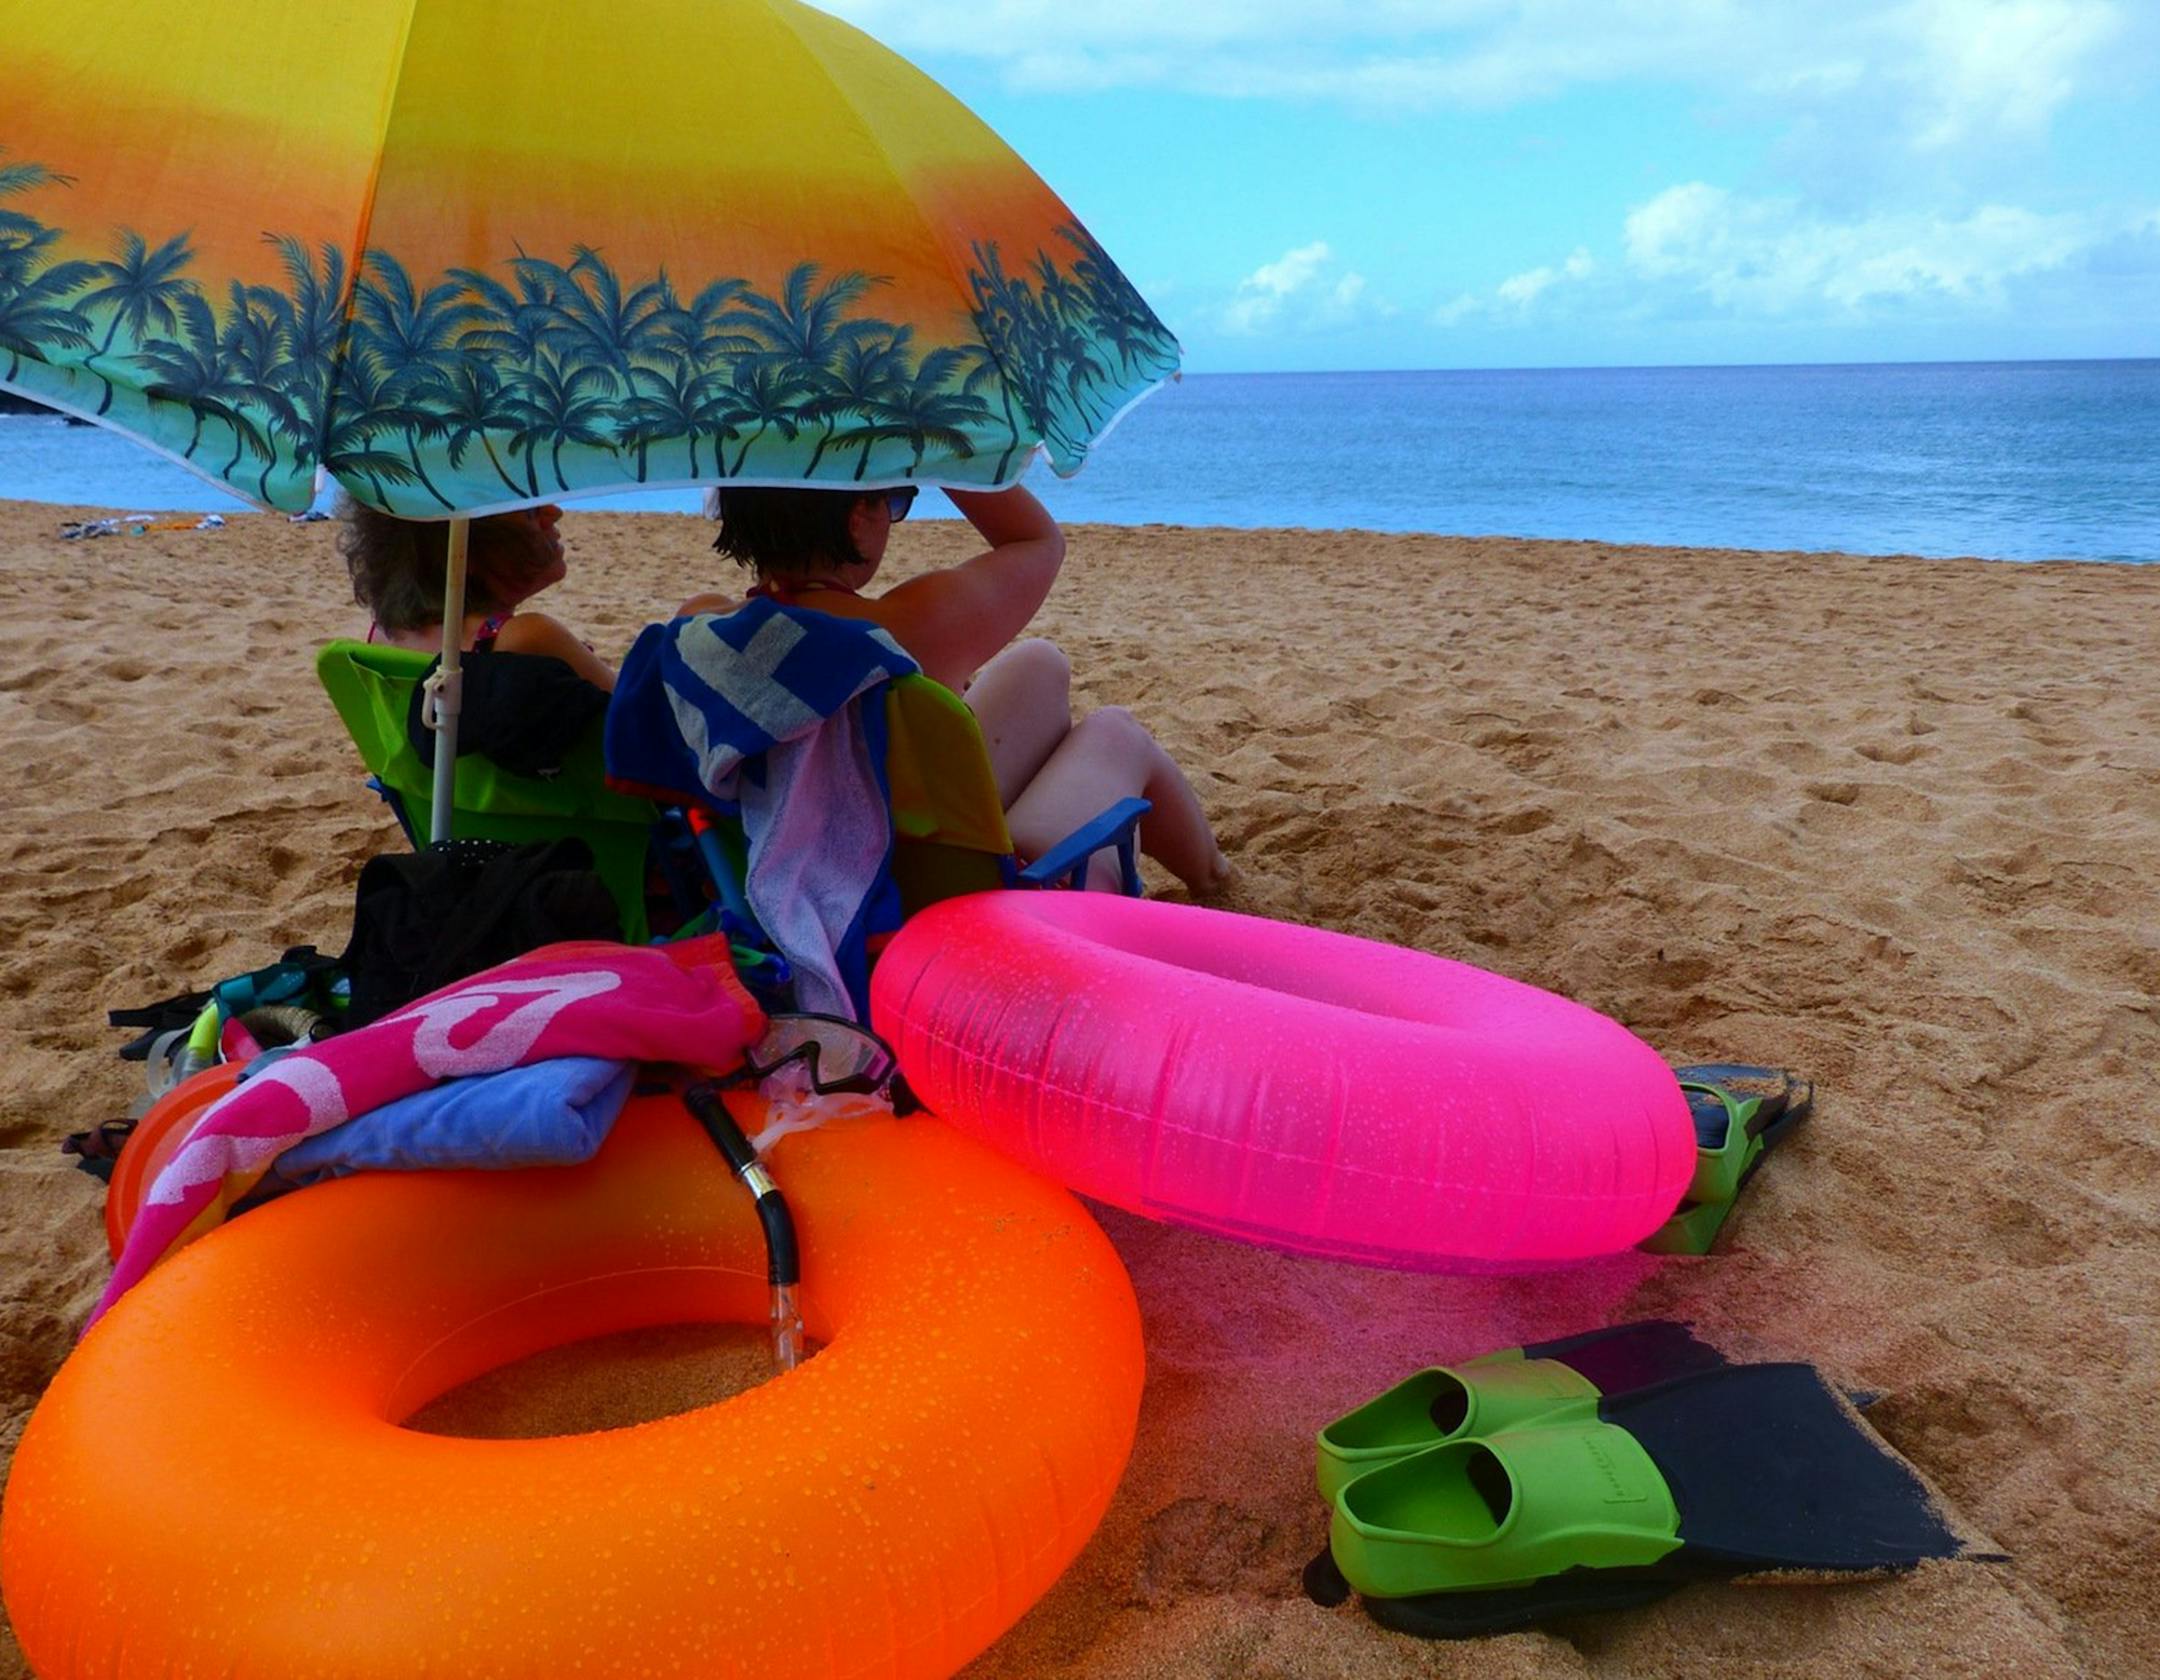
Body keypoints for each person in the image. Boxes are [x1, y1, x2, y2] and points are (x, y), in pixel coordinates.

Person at [677, 483, 1230, 894]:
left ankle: (1209, 869)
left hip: (797, 876)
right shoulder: (903, 630)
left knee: (1041, 663)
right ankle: (1215, 876)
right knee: (1115, 732)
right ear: (857, 516)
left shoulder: (697, 630)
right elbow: (1036, 540)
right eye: (895, 498)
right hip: (953, 913)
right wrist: (951, 444)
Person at [338, 497, 616, 778]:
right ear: (463, 552)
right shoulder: (526, 638)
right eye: (531, 511)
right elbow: (645, 723)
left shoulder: (384, 637)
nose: (553, 512)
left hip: (451, 819)